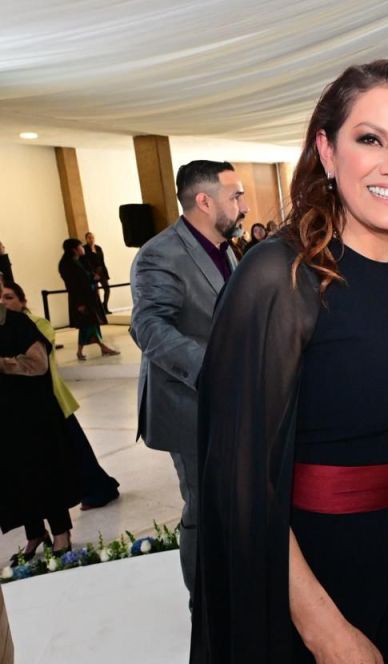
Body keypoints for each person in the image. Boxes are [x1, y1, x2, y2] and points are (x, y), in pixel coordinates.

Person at [188, 60, 388, 664]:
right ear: (327, 151)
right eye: (370, 139)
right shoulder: (277, 278)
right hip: (309, 582)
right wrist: (324, 630)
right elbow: (239, 482)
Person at [130, 160, 245, 601]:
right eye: (235, 196)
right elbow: (150, 328)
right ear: (204, 200)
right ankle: (206, 604)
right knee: (203, 506)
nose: (244, 205)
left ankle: (232, 584)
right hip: (189, 404)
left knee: (229, 501)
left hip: (228, 400)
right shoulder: (160, 253)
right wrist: (218, 372)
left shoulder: (224, 247)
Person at [1, 282, 120, 510]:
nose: (4, 303)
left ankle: (99, 489)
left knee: (75, 448)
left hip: (52, 399)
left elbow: (36, 363)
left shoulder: (39, 324)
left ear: (23, 301)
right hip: (21, 405)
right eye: (2, 298)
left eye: (10, 297)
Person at [0, 273, 80, 562]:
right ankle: (34, 534)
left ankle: (61, 533)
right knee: (14, 479)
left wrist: (4, 365)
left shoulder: (20, 323)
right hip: (3, 422)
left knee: (43, 472)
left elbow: (38, 365)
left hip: (31, 417)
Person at [58, 238, 118, 361]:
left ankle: (83, 350)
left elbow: (86, 275)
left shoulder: (77, 261)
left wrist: (93, 276)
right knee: (88, 323)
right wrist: (80, 303)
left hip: (88, 297)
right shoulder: (67, 264)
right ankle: (101, 347)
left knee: (90, 323)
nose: (83, 248)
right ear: (74, 249)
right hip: (82, 299)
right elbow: (73, 285)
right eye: (80, 247)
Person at [82, 232, 111, 314]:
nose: (91, 239)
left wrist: (105, 272)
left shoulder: (98, 248)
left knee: (107, 289)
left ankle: (105, 306)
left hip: (101, 271)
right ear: (86, 239)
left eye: (92, 237)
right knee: (95, 291)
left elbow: (102, 261)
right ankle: (99, 309)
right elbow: (86, 263)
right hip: (92, 273)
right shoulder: (84, 249)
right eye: (89, 238)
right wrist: (93, 273)